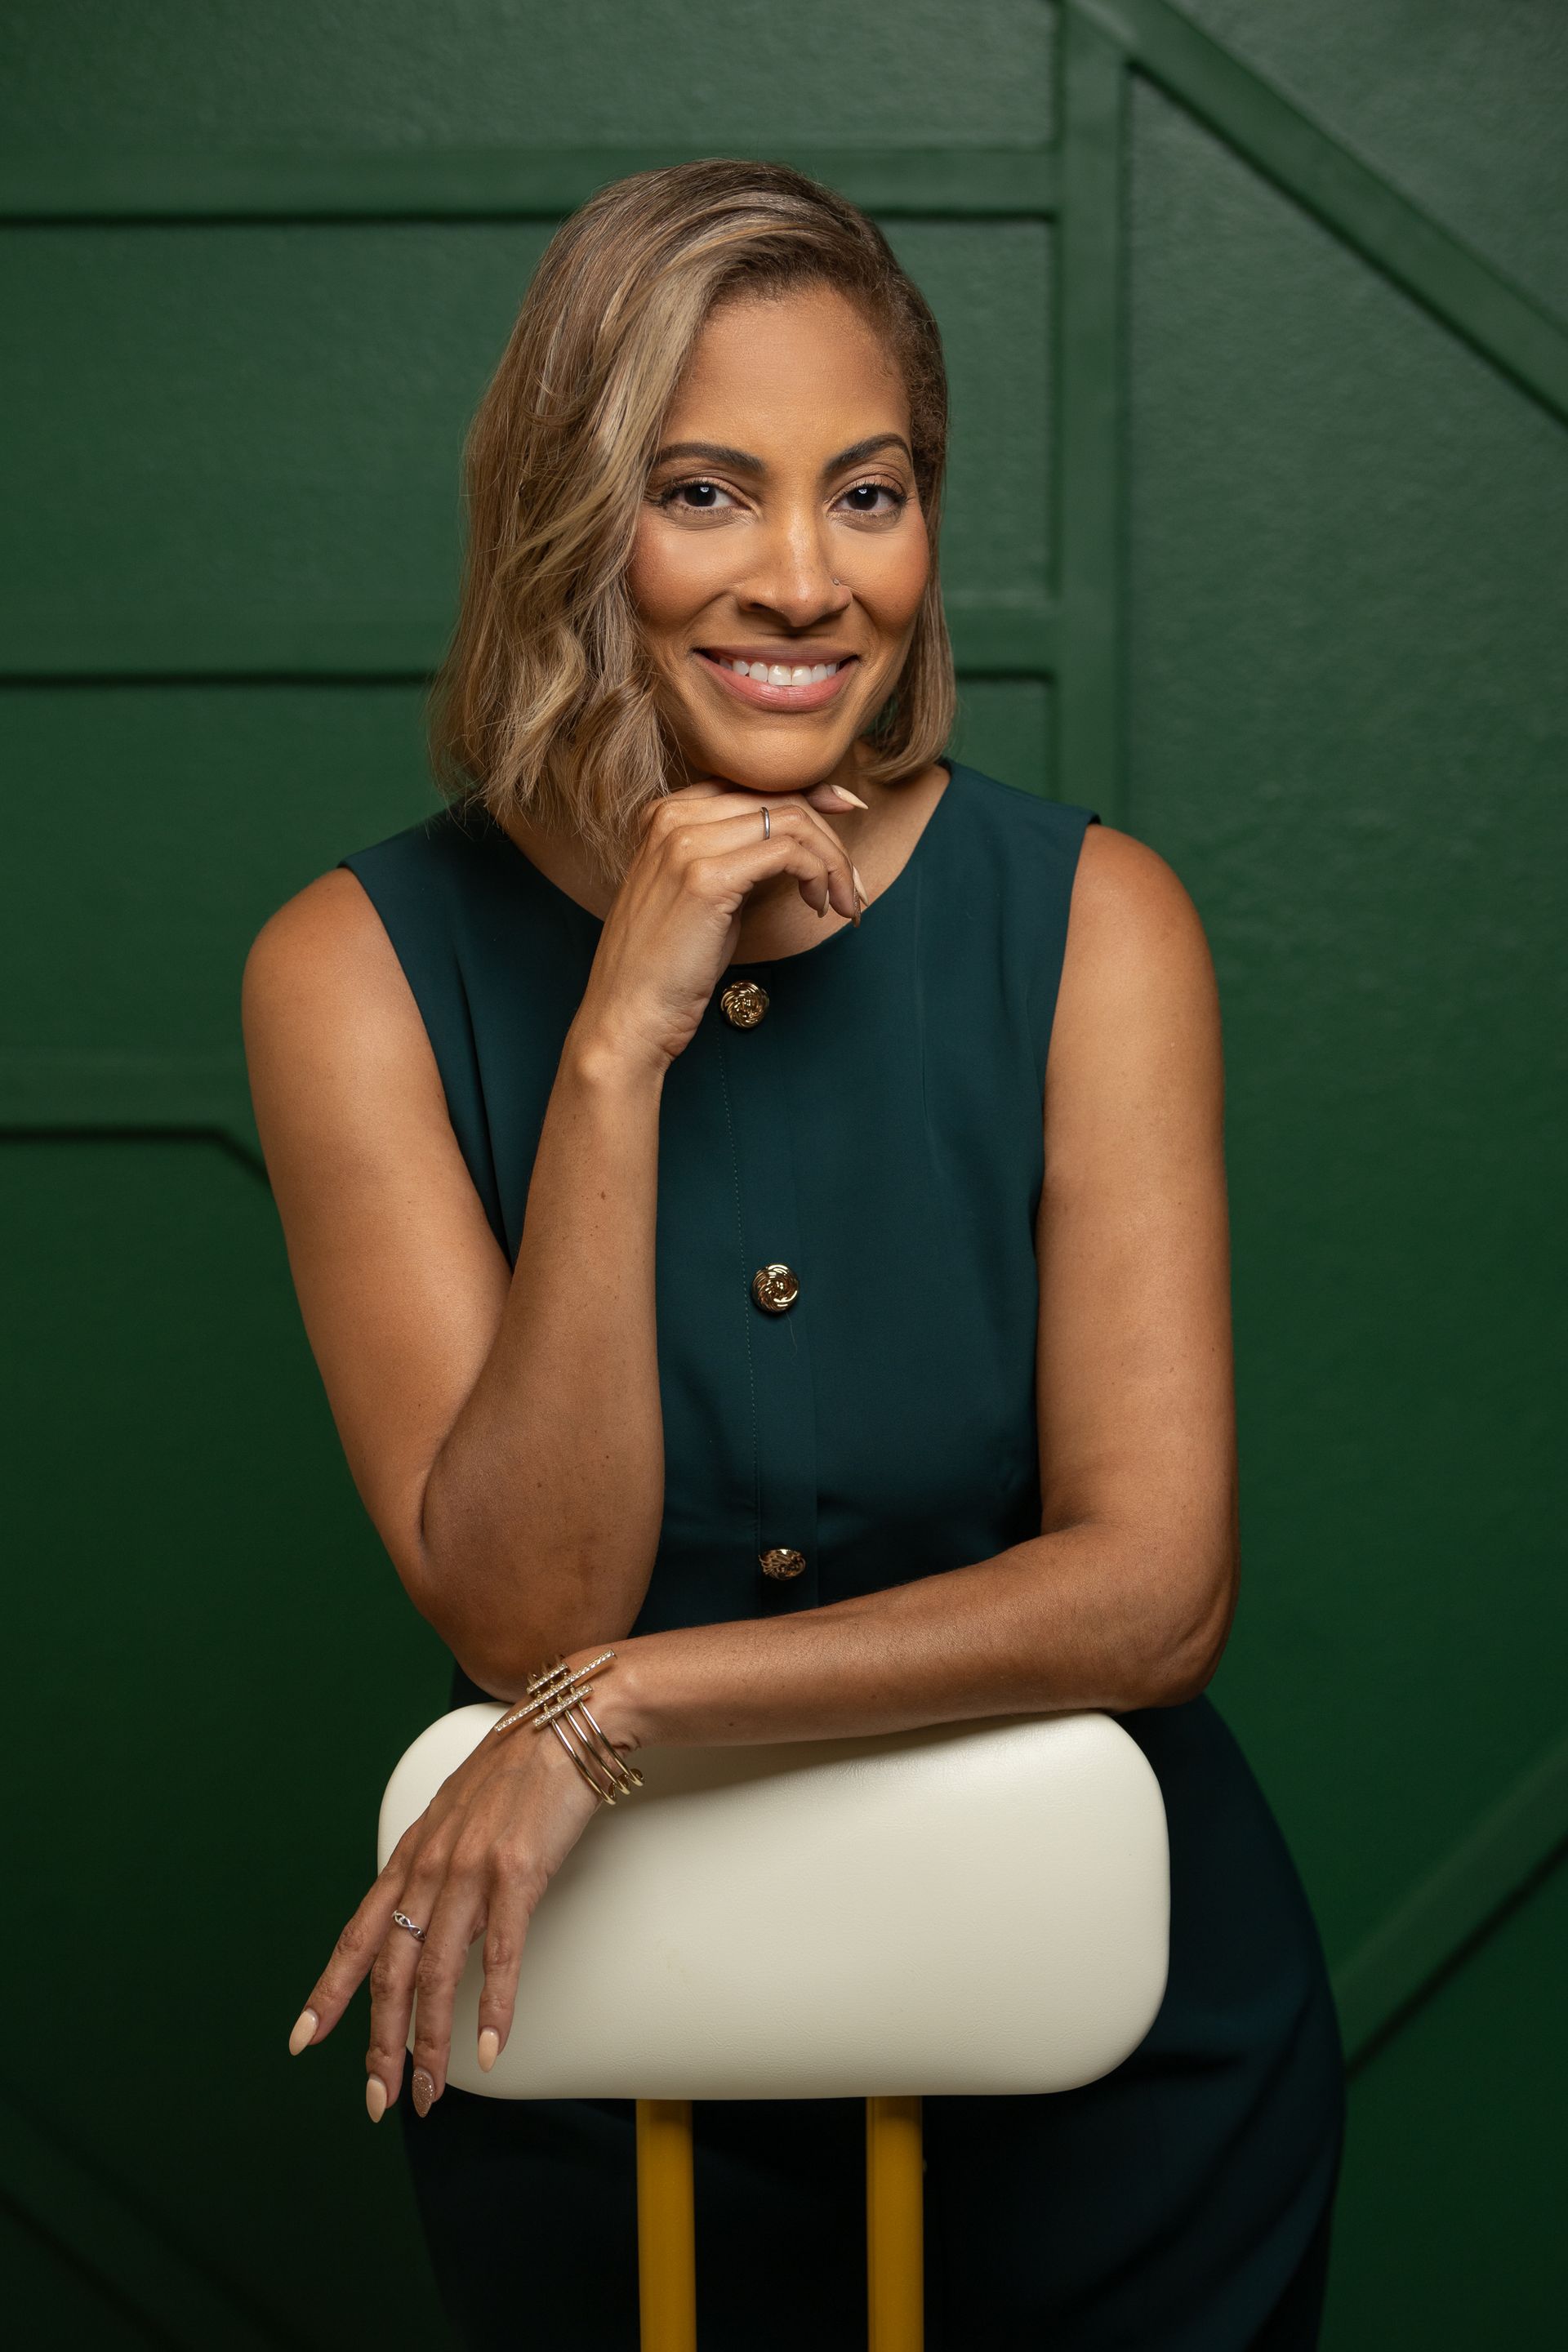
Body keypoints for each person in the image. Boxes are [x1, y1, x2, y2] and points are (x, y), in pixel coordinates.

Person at [243, 159, 1345, 2350]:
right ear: (576, 523)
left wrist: (613, 1714)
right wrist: (618, 1047)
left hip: (1116, 2085)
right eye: (707, 491)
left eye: (869, 493)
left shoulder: (1096, 924)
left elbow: (1158, 1590)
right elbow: (526, 1603)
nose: (804, 579)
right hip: (606, 2065)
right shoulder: (353, 971)